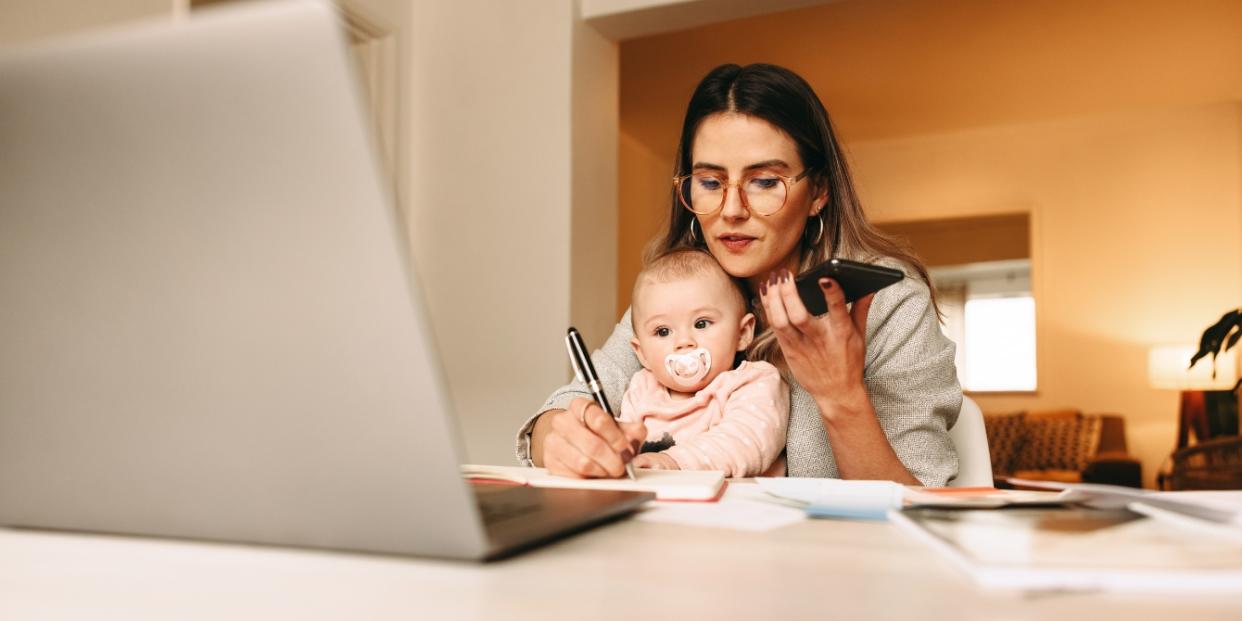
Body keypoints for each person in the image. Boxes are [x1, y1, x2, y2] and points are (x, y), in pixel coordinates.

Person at [516, 63, 961, 485]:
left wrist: (841, 397)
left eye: (765, 181)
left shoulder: (887, 302)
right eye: (710, 183)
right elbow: (561, 411)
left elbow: (921, 507)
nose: (731, 211)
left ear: (819, 192)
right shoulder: (678, 290)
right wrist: (559, 436)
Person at [621, 248, 788, 477]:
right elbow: (624, 443)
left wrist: (673, 461)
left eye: (701, 324)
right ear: (643, 354)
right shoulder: (642, 389)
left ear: (742, 333)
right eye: (663, 331)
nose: (683, 342)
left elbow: (744, 441)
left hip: (734, 507)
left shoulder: (752, 382)